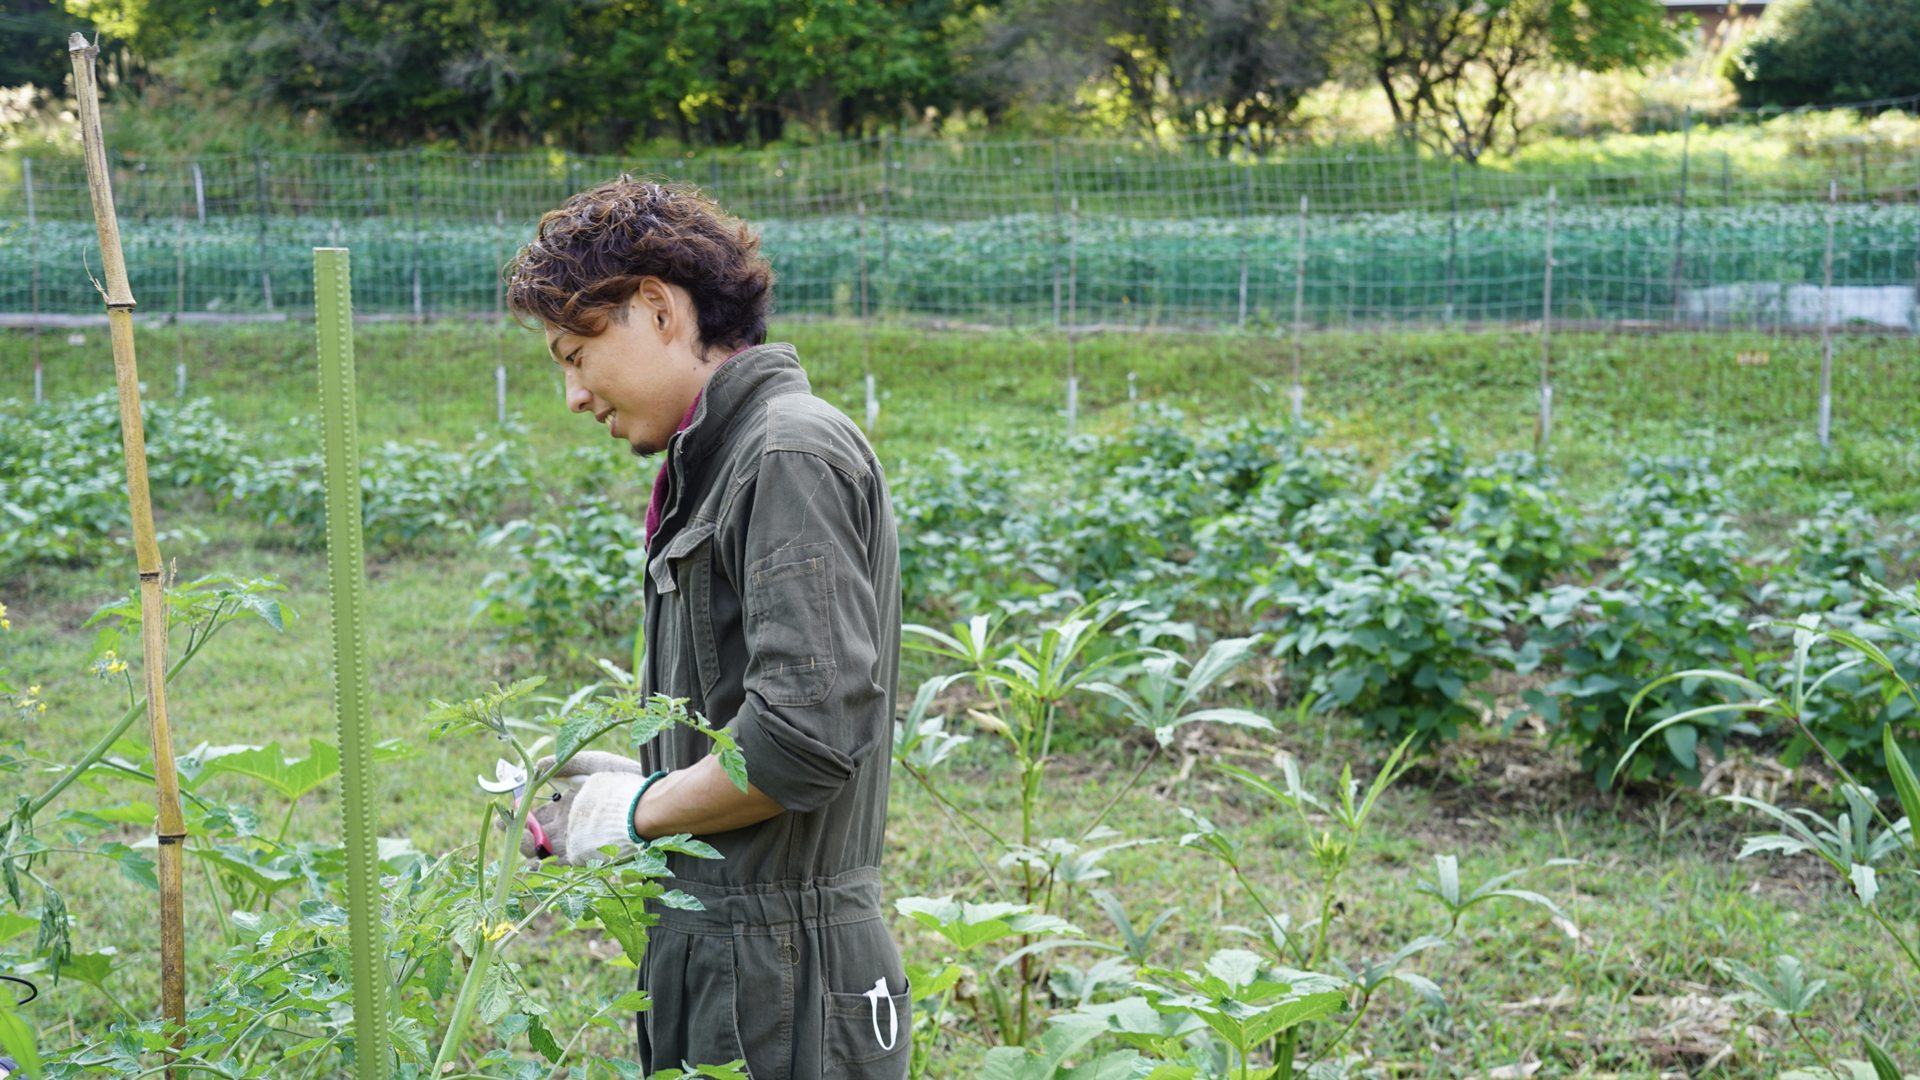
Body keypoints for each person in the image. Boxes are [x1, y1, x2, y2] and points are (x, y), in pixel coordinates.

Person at [503, 177, 909, 1080]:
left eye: (576, 353)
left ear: (655, 309)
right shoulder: (724, 462)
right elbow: (757, 717)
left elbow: (802, 743)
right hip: (735, 964)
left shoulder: (787, 452)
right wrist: (644, 772)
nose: (572, 394)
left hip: (783, 984)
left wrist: (634, 813)